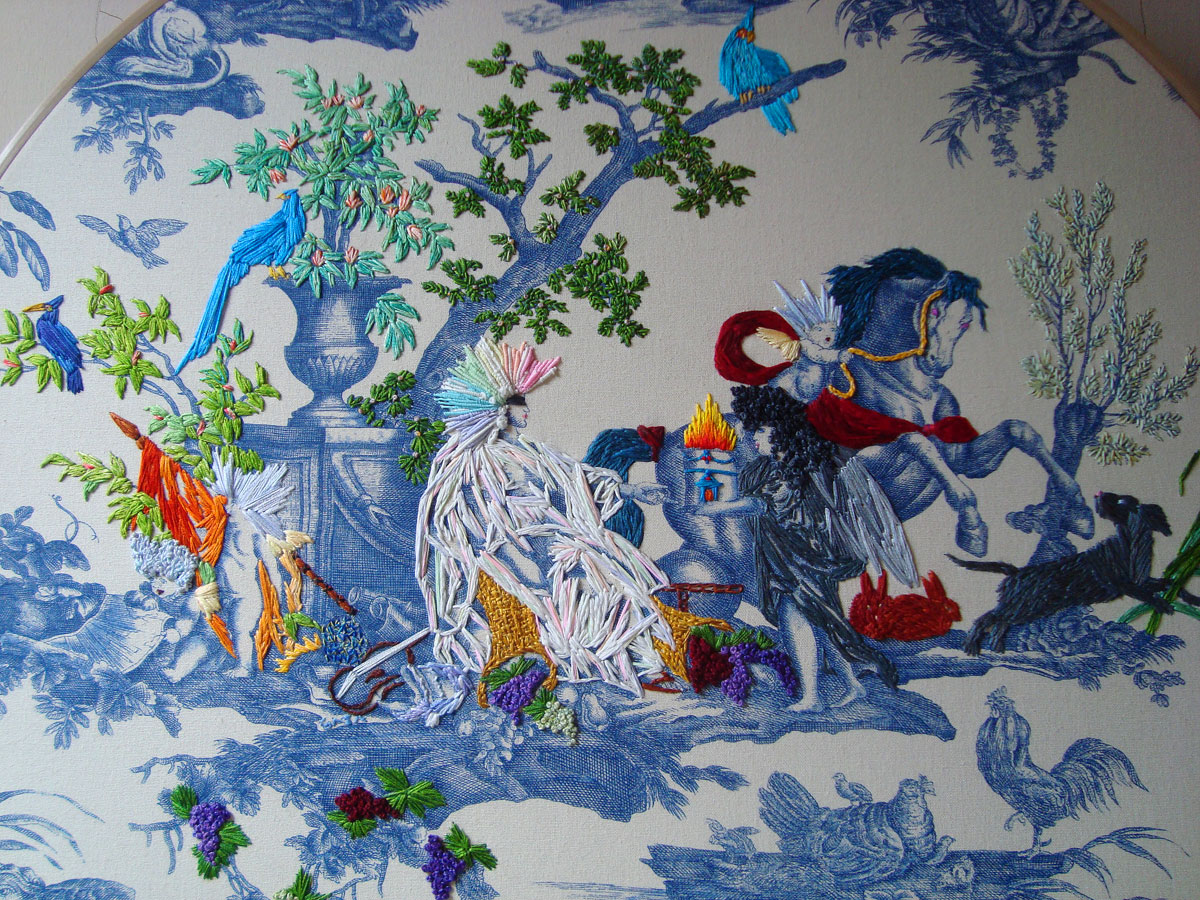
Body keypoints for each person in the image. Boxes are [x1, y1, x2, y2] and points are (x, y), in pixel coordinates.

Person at [414, 336, 675, 696]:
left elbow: (578, 478)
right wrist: (507, 536)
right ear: (501, 410)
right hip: (512, 546)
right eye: (521, 403)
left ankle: (643, 659)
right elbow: (461, 514)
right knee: (588, 574)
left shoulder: (531, 451)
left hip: (555, 536)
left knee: (615, 569)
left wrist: (632, 491)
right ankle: (621, 659)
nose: (527, 411)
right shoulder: (475, 460)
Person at [728, 385, 901, 710]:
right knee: (822, 620)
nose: (754, 437)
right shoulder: (778, 467)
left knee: (799, 618)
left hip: (803, 563)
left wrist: (711, 508)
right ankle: (851, 683)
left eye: (761, 429)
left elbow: (760, 505)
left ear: (782, 430)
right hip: (789, 561)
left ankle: (811, 697)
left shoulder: (793, 473)